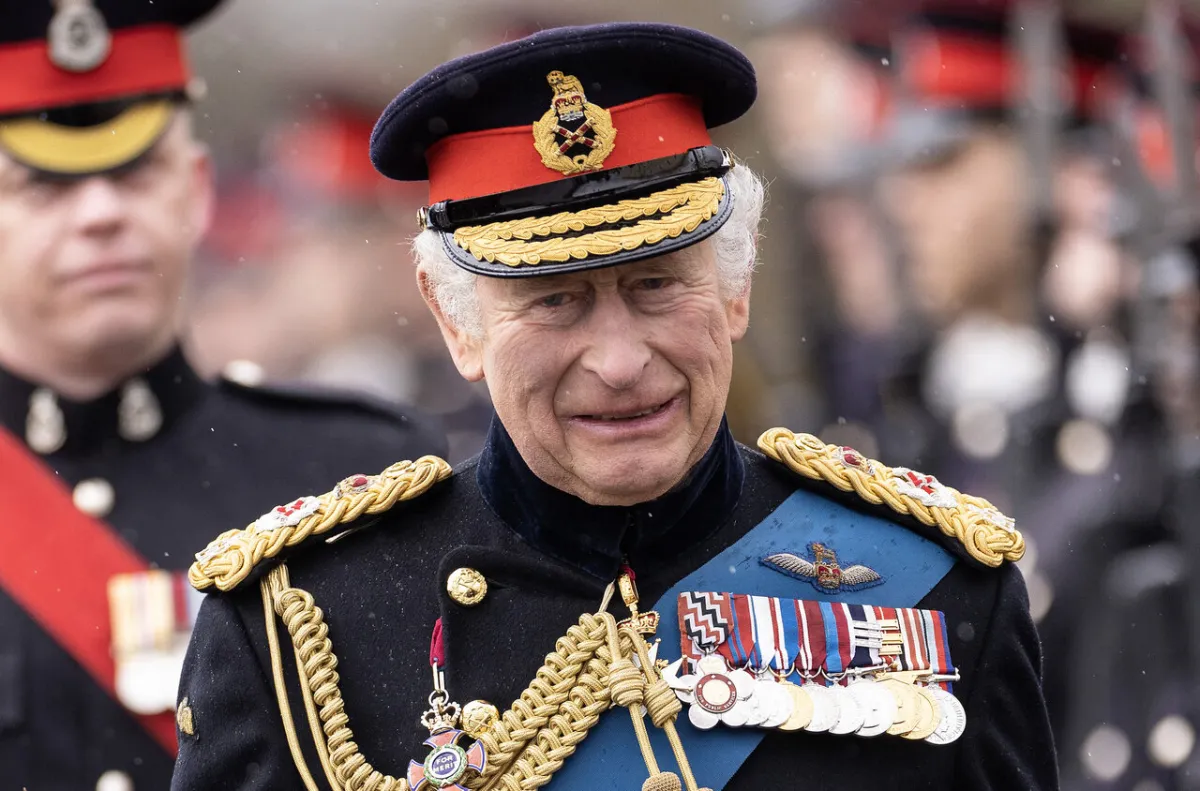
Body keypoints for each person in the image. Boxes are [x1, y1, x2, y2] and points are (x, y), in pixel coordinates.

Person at [173, 22, 1057, 790]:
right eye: (554, 300)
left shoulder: (942, 587)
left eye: (657, 284)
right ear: (455, 320)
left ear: (736, 287)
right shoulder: (298, 627)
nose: (622, 360)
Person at [0, 2, 445, 789]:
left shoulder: (369, 479)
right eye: (44, 188)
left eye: (135, 172)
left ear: (198, 190)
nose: (102, 214)